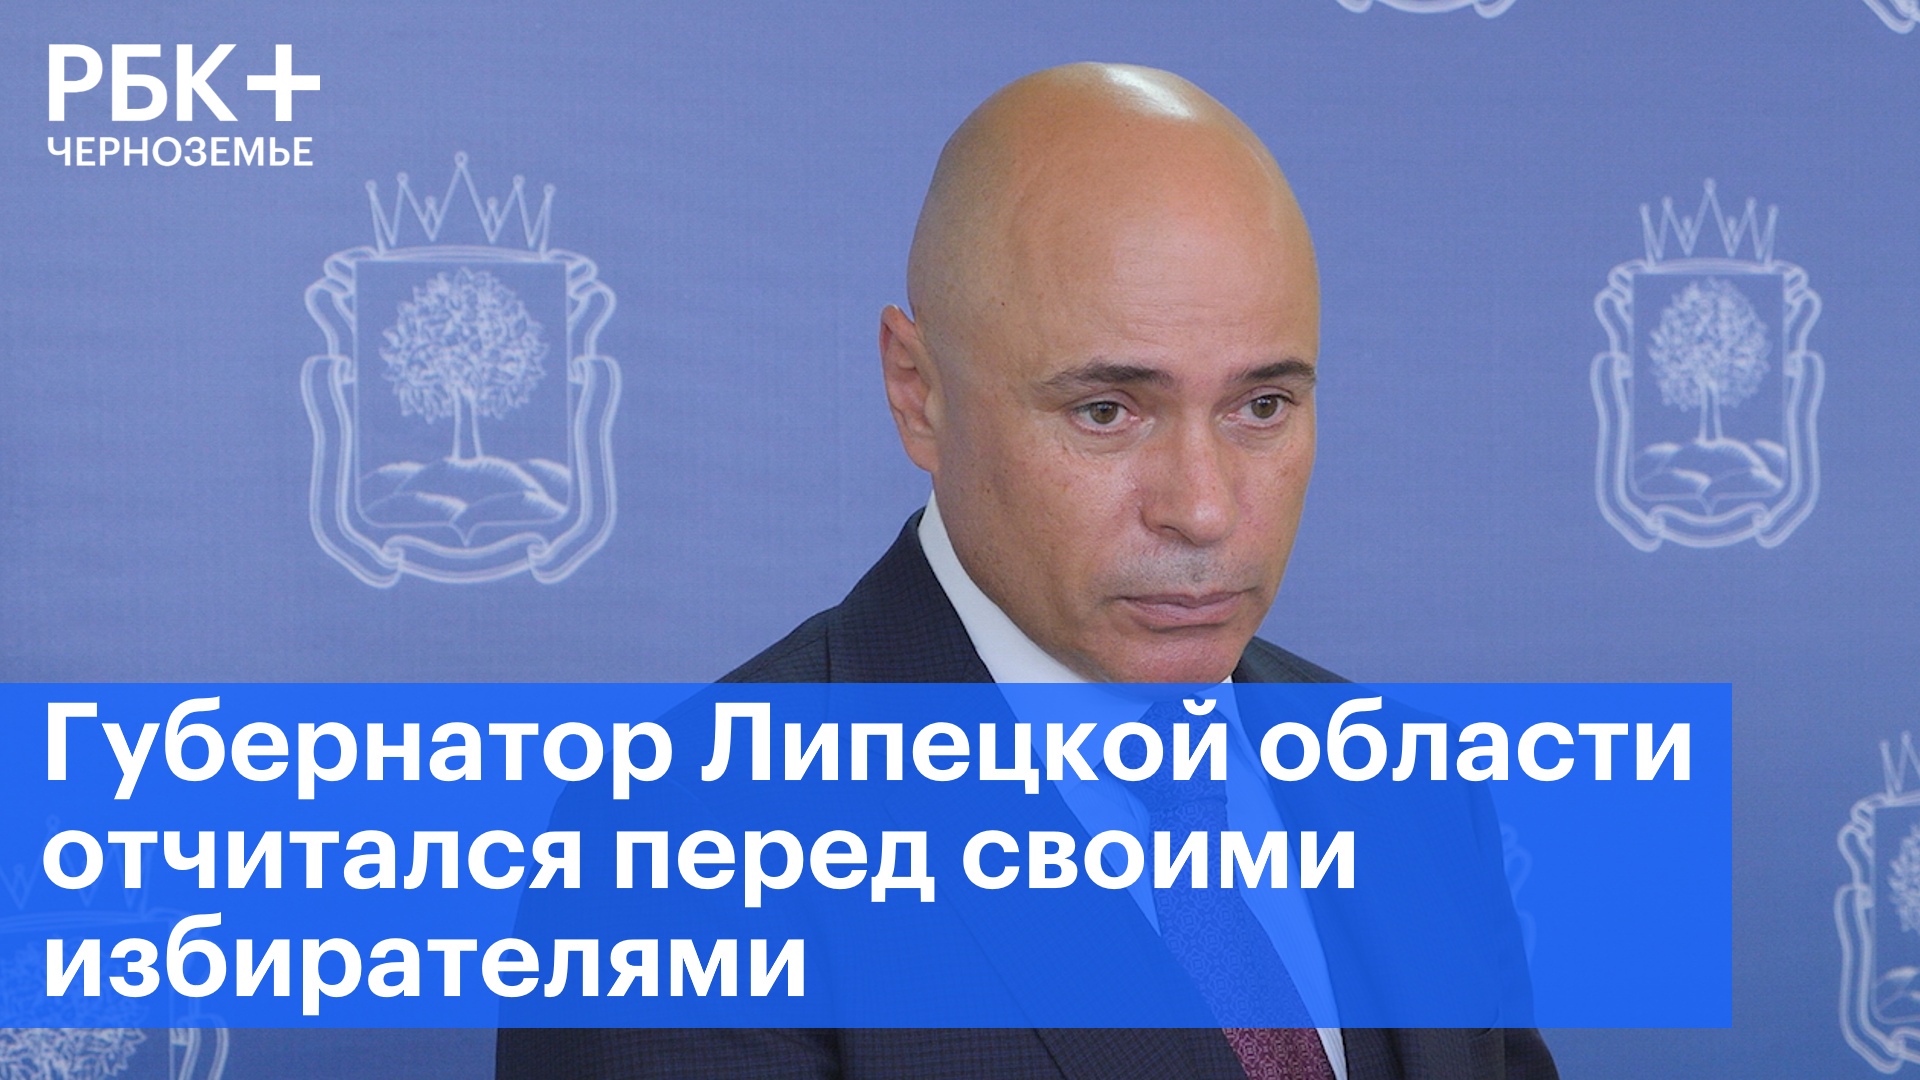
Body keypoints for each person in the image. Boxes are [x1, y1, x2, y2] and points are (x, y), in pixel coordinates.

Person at [498, 62, 1556, 1080]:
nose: (1203, 508)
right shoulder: (677, 863)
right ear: (918, 392)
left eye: (1262, 406)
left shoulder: (1413, 795)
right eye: (1106, 411)